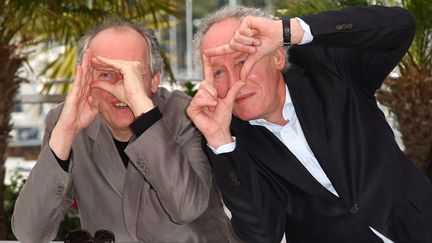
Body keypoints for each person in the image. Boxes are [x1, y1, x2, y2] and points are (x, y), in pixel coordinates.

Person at [187, 5, 432, 243]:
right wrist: (220, 140)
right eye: (218, 72)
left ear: (277, 57)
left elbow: (401, 26)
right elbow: (263, 234)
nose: (233, 82)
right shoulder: (228, 142)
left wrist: (288, 30)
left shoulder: (328, 70)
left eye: (242, 62)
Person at [12, 19, 241, 243]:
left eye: (131, 75)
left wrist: (145, 114)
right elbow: (30, 234)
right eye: (105, 74)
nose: (120, 89)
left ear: (154, 80)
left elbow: (187, 207)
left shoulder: (187, 115)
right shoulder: (66, 123)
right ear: (86, 80)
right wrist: (65, 132)